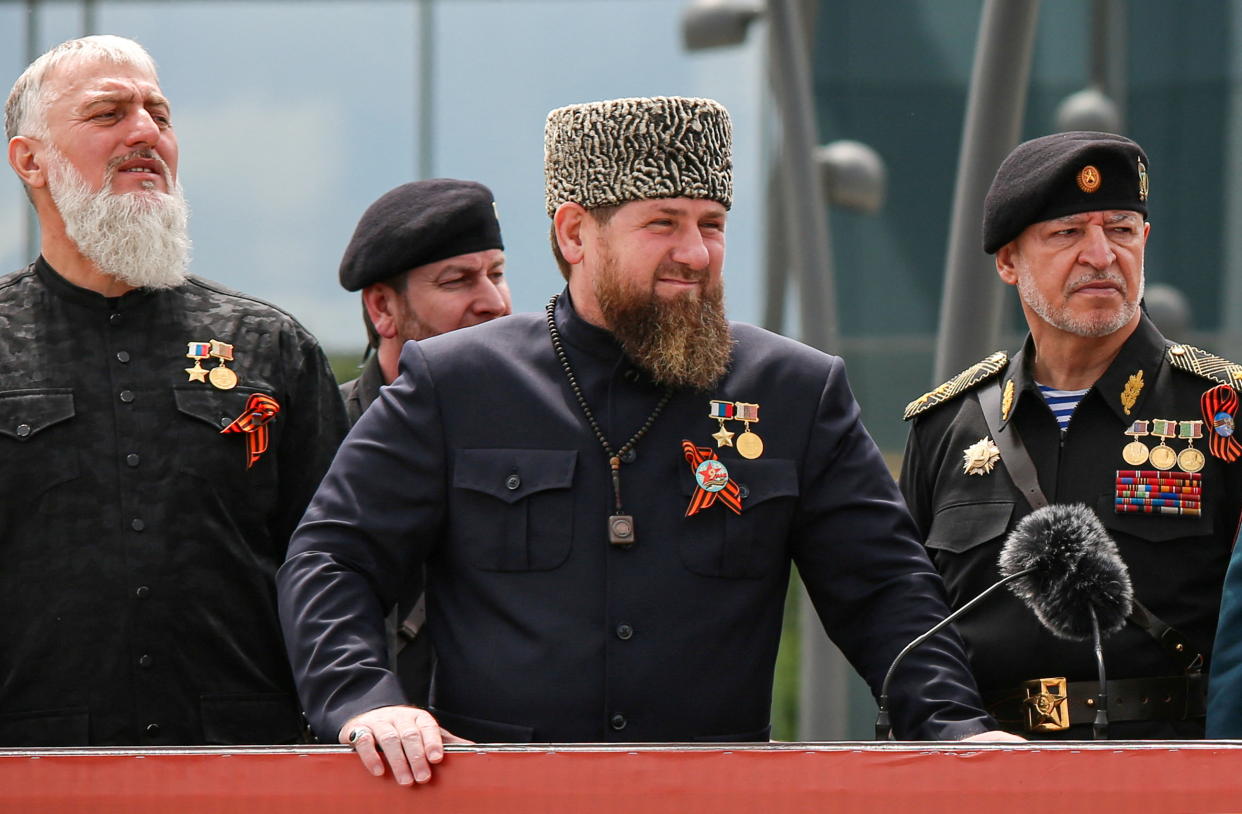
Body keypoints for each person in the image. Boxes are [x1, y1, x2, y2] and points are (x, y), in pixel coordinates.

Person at [278, 95, 1005, 786]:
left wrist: (955, 728)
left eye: (712, 224)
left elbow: (884, 591)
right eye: (663, 223)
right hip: (501, 797)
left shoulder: (794, 392)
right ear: (574, 234)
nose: (695, 252)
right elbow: (332, 554)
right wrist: (365, 700)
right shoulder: (457, 382)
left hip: (714, 798)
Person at [1, 35, 348, 746]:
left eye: (159, 115)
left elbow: (338, 567)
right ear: (29, 159)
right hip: (33, 762)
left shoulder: (270, 346)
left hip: (242, 762)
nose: (144, 134)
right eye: (108, 114)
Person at [901, 131, 1240, 739]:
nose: (1102, 255)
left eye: (1121, 229)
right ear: (1008, 261)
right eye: (1067, 233)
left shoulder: (1223, 411)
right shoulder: (947, 426)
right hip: (988, 776)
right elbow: (906, 619)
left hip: (1171, 773)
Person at [337, 178, 511, 706]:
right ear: (382, 309)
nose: (494, 303)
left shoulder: (546, 429)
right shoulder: (320, 433)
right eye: (458, 280)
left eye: (498, 275)